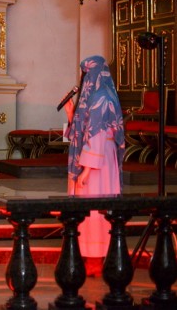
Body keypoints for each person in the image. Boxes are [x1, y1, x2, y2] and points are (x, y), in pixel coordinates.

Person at [63, 55, 125, 277]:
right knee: (87, 210)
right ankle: (88, 256)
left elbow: (97, 135)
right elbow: (82, 131)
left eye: (86, 74)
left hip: (98, 164)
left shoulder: (102, 97)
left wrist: (87, 170)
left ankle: (96, 259)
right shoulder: (93, 97)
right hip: (93, 159)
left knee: (94, 209)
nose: (83, 79)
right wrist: (71, 114)